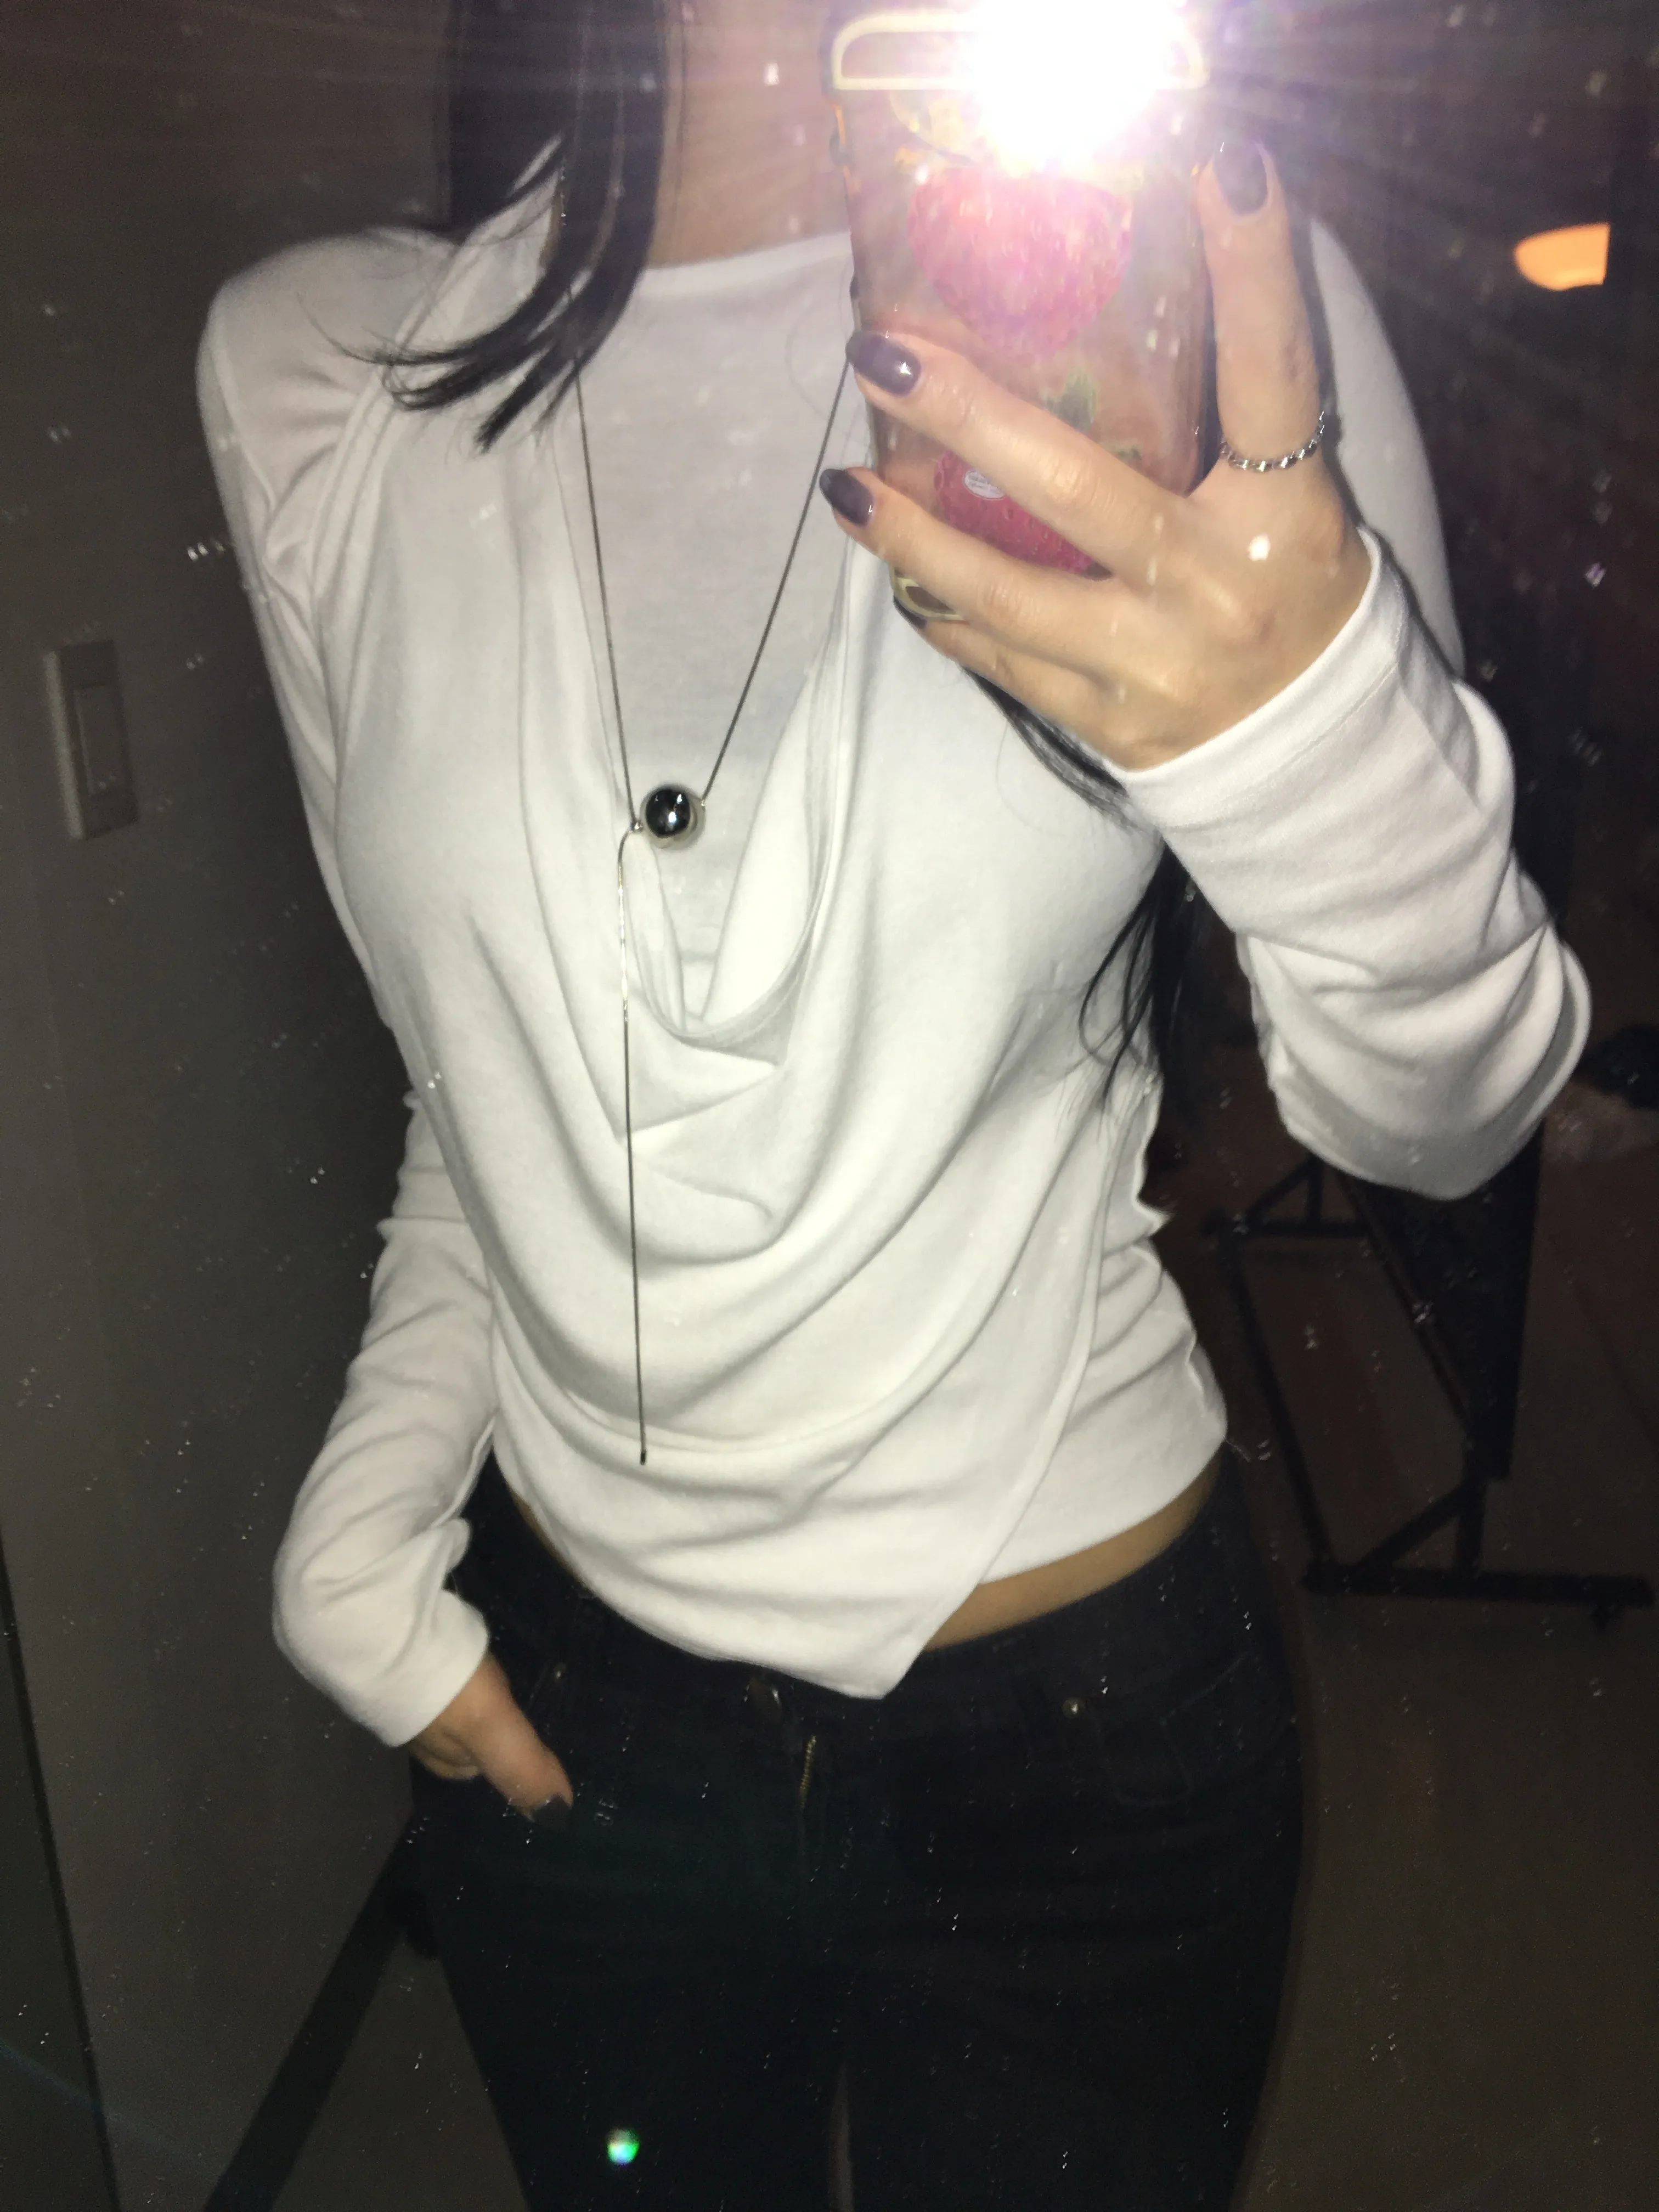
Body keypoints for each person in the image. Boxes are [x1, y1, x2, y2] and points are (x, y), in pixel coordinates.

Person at [198, 1, 1588, 2204]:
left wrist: (1315, 744)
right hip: (583, 1733)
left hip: (1082, 1745)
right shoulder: (323, 380)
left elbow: (1438, 1130)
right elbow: (499, 1093)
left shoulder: (1200, 303)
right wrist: (367, 1521)